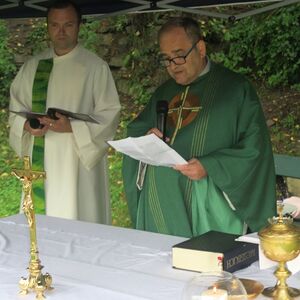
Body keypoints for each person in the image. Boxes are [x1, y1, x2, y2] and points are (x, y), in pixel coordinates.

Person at [122, 17, 276, 238]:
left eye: (180, 56)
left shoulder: (235, 90)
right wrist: (147, 137)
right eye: (166, 59)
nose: (173, 66)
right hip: (162, 202)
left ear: (201, 48)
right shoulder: (163, 92)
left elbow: (255, 149)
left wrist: (211, 165)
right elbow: (136, 131)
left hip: (208, 199)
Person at [9, 0, 121, 223]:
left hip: (77, 159)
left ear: (79, 25)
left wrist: (71, 126)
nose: (61, 32)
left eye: (68, 25)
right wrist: (28, 126)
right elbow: (15, 111)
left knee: (79, 216)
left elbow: (110, 115)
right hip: (42, 158)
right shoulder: (33, 66)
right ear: (48, 27)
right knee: (41, 226)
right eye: (54, 25)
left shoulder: (94, 67)